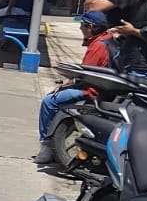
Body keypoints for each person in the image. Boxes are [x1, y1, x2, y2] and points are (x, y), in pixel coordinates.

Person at [35, 11, 116, 163]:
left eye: (82, 25)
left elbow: (85, 74)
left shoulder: (98, 46)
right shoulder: (106, 39)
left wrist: (67, 83)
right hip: (98, 86)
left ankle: (46, 145)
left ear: (90, 27)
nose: (80, 28)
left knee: (49, 102)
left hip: (90, 90)